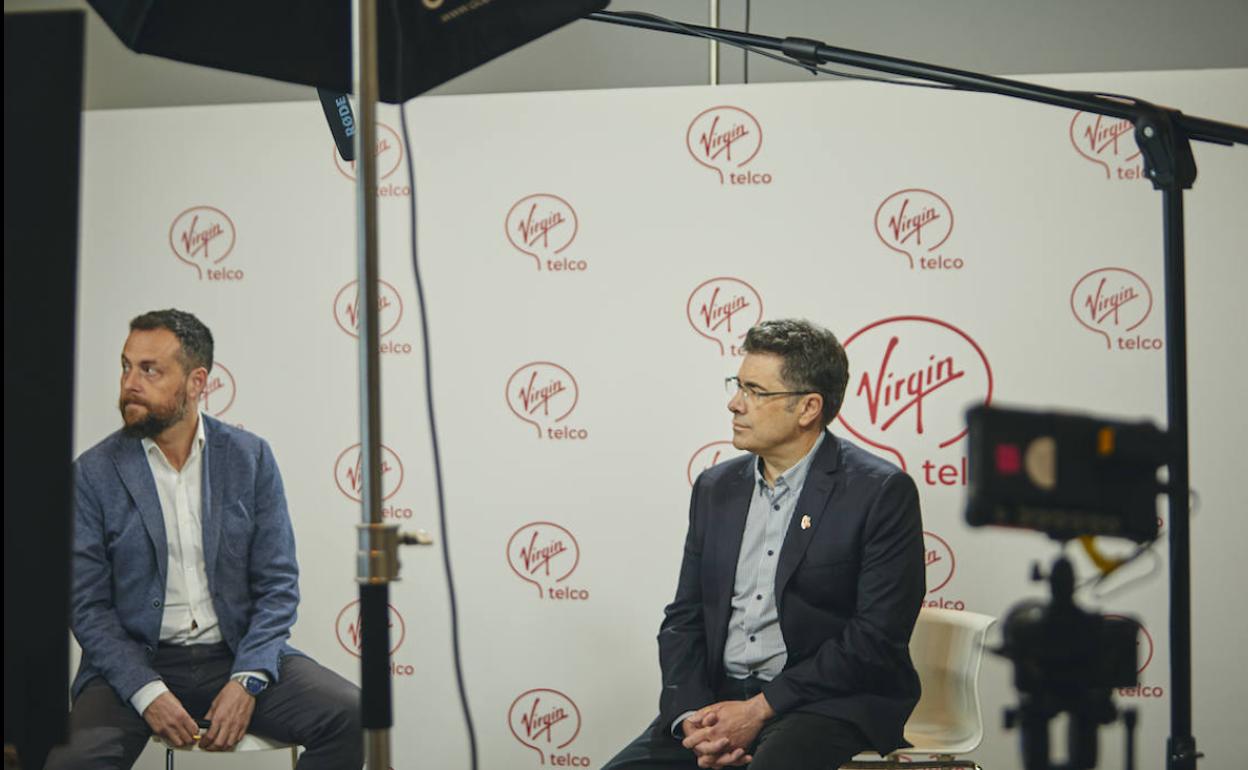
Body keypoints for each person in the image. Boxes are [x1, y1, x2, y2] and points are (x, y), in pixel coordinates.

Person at [45, 309, 362, 770]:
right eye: (126, 366)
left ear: (197, 383)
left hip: (233, 654)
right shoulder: (92, 474)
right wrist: (147, 692)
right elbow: (86, 607)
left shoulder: (250, 458)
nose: (130, 382)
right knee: (70, 763)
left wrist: (248, 678)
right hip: (134, 665)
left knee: (350, 715)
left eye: (150, 369)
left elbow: (278, 585)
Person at [603, 319, 925, 770]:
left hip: (823, 702)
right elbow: (684, 618)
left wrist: (758, 709)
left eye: (755, 391)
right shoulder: (716, 487)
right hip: (718, 699)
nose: (735, 404)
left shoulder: (879, 492)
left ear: (808, 407)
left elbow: (875, 638)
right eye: (738, 385)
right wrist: (692, 718)